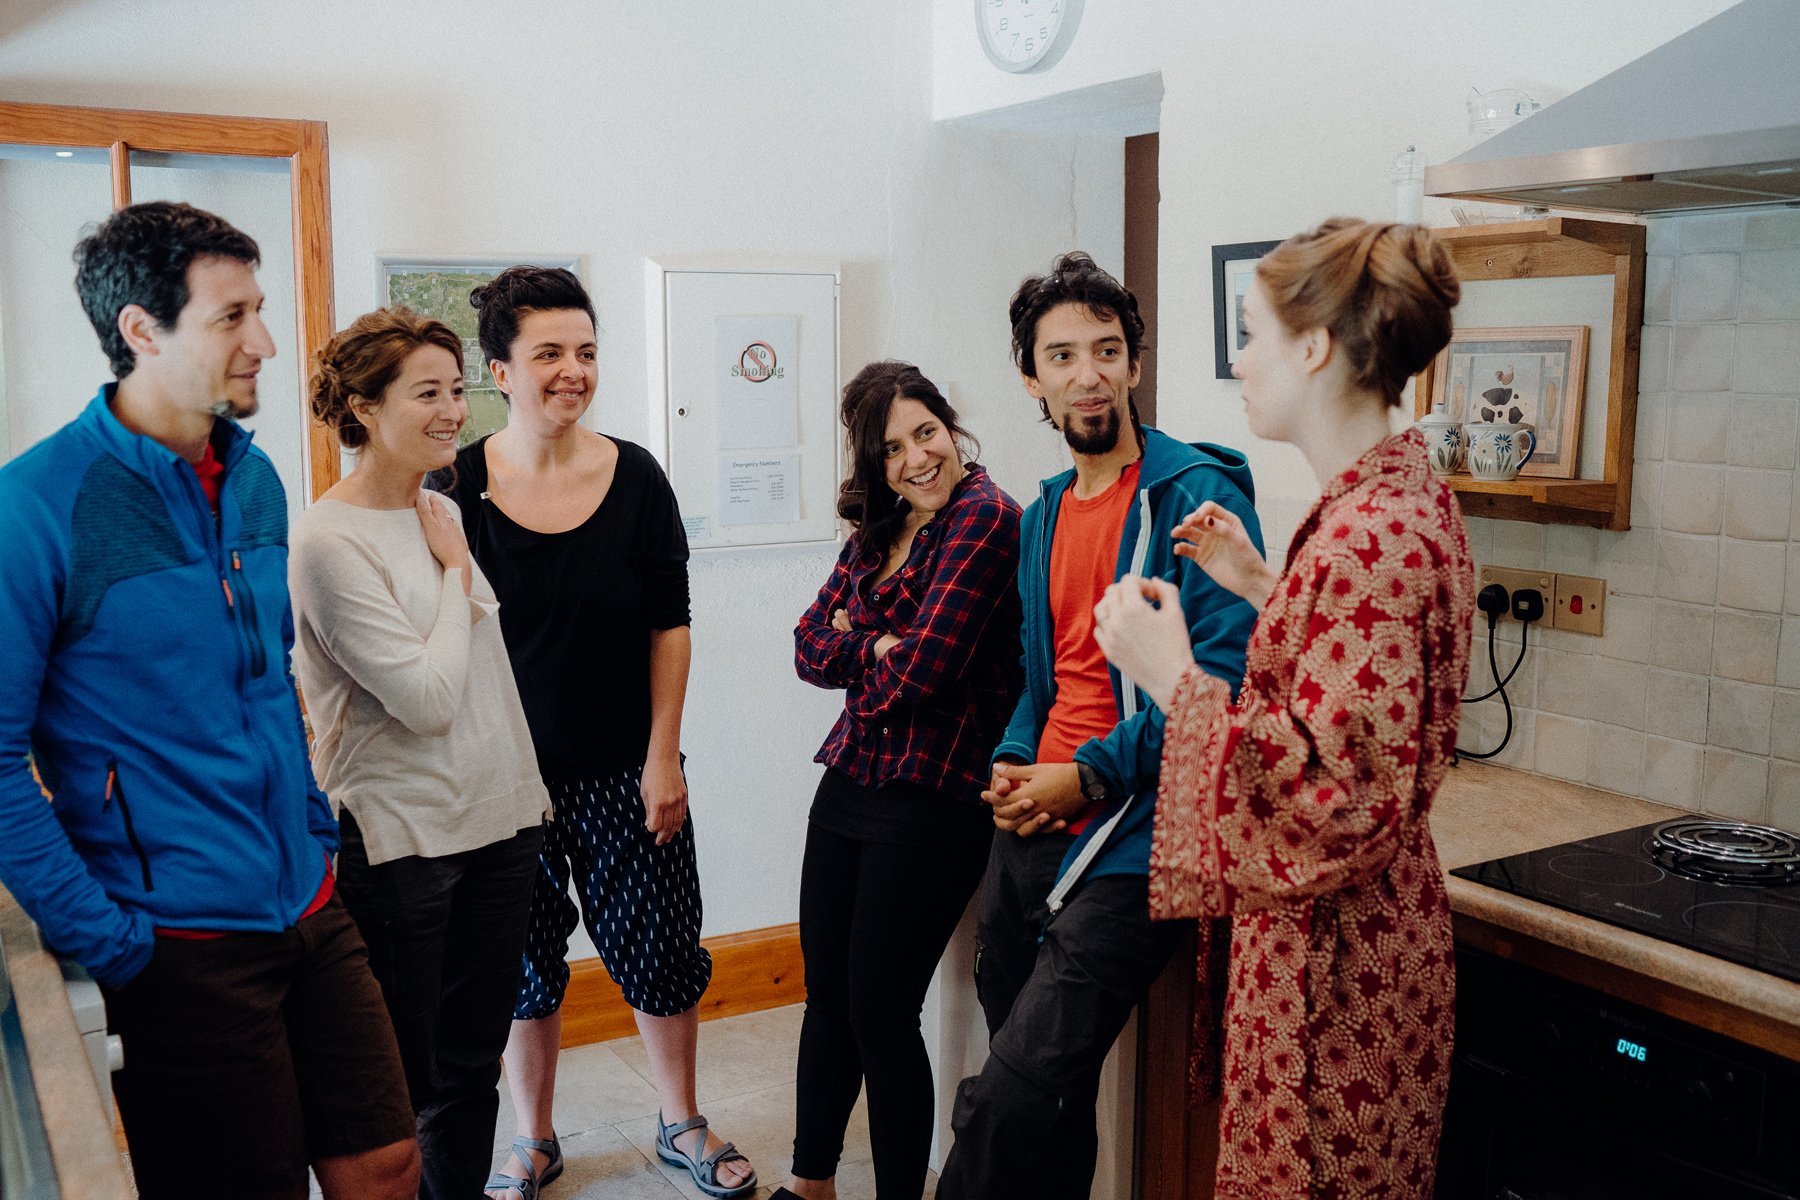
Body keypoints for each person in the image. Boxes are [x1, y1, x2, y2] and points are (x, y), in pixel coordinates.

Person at [0, 201, 418, 1199]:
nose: (266, 343)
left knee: (389, 1162)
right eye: (232, 317)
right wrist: (109, 940)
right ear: (142, 330)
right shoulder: (37, 506)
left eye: (259, 310)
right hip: (177, 941)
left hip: (309, 898)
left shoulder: (258, 479)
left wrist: (315, 828)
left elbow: (268, 677)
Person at [1092, 218, 1472, 1199]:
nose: (1240, 360)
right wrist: (1268, 585)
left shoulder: (1366, 533)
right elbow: (1359, 678)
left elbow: (1330, 796)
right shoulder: (1399, 493)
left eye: (1252, 333)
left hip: (1335, 975)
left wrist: (1173, 672)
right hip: (1375, 947)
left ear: (1314, 347)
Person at [933, 252, 1263, 1200]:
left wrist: (1085, 776)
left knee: (1008, 1094)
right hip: (1031, 830)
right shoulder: (1041, 513)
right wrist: (1011, 760)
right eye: (1063, 355)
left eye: (1107, 351)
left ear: (1133, 366)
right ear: (1031, 378)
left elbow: (1221, 683)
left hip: (1136, 846)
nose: (1088, 373)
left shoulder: (1195, 497)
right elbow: (1043, 676)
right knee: (1049, 1098)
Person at [429, 266, 755, 1200]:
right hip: (500, 782)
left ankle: (678, 1121)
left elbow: (671, 622)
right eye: (548, 355)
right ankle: (532, 1139)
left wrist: (663, 756)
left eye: (586, 352)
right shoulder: (455, 487)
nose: (572, 371)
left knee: (660, 950)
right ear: (501, 369)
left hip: (624, 766)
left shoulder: (637, 475)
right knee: (520, 967)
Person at [290, 308, 553, 1199]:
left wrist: (528, 797)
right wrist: (448, 570)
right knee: (401, 1086)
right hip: (404, 841)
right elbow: (429, 699)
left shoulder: (435, 507)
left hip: (499, 820)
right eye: (428, 393)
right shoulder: (326, 542)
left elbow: (479, 674)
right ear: (363, 409)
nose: (454, 411)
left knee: (475, 1062)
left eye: (457, 389)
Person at [783, 361, 1023, 1200]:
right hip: (850, 778)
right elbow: (809, 646)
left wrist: (874, 642)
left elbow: (929, 669)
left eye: (927, 433)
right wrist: (873, 646)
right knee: (828, 1000)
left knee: (881, 1013)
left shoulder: (986, 519)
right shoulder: (881, 531)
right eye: (893, 448)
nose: (918, 458)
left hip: (936, 794)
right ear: (873, 464)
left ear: (951, 429)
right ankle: (811, 1183)